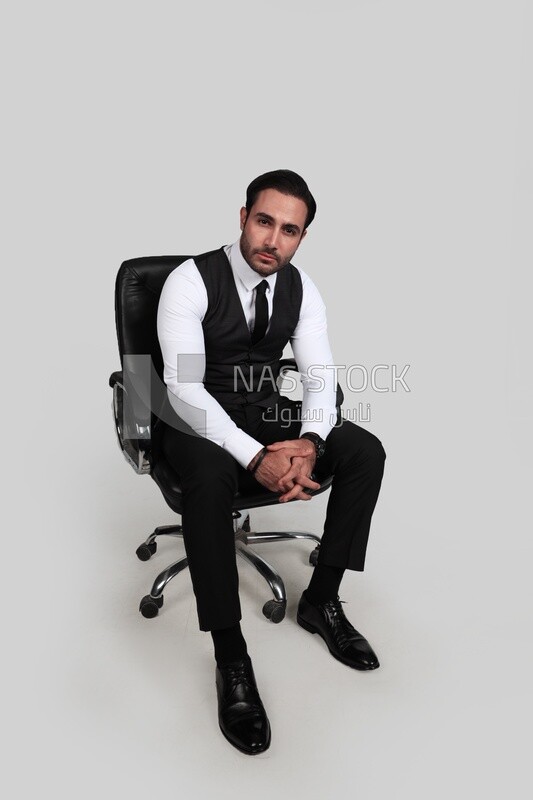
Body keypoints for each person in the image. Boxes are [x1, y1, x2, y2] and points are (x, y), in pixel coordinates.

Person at [157, 169, 386, 755]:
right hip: (194, 418)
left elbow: (318, 376)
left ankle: (321, 599)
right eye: (265, 222)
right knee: (209, 480)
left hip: (261, 408)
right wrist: (254, 456)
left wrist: (308, 441)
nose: (274, 240)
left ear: (301, 237)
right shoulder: (188, 282)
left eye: (290, 230)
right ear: (242, 217)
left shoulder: (303, 289)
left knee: (362, 450)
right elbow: (183, 389)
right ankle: (232, 657)